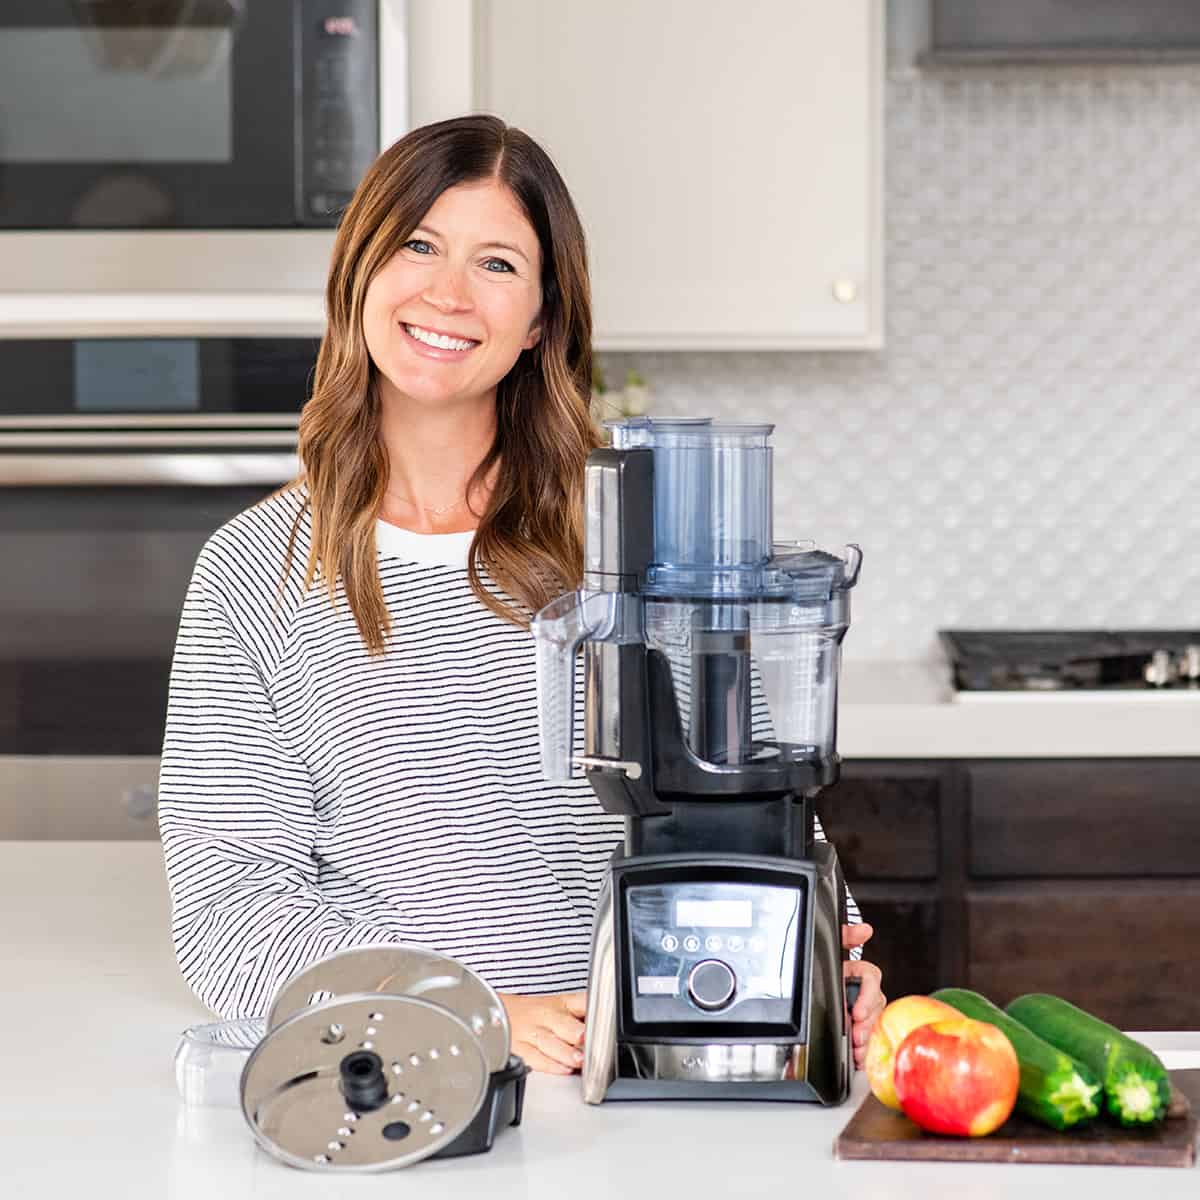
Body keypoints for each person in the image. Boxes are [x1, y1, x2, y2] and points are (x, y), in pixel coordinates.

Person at [158, 114, 884, 1075]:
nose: (448, 293)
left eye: (497, 264)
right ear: (360, 273)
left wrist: (827, 944)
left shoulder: (639, 549)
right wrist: (467, 1012)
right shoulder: (253, 573)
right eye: (418, 245)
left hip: (652, 1072)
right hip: (403, 1085)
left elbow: (749, 801)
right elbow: (228, 905)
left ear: (541, 316)